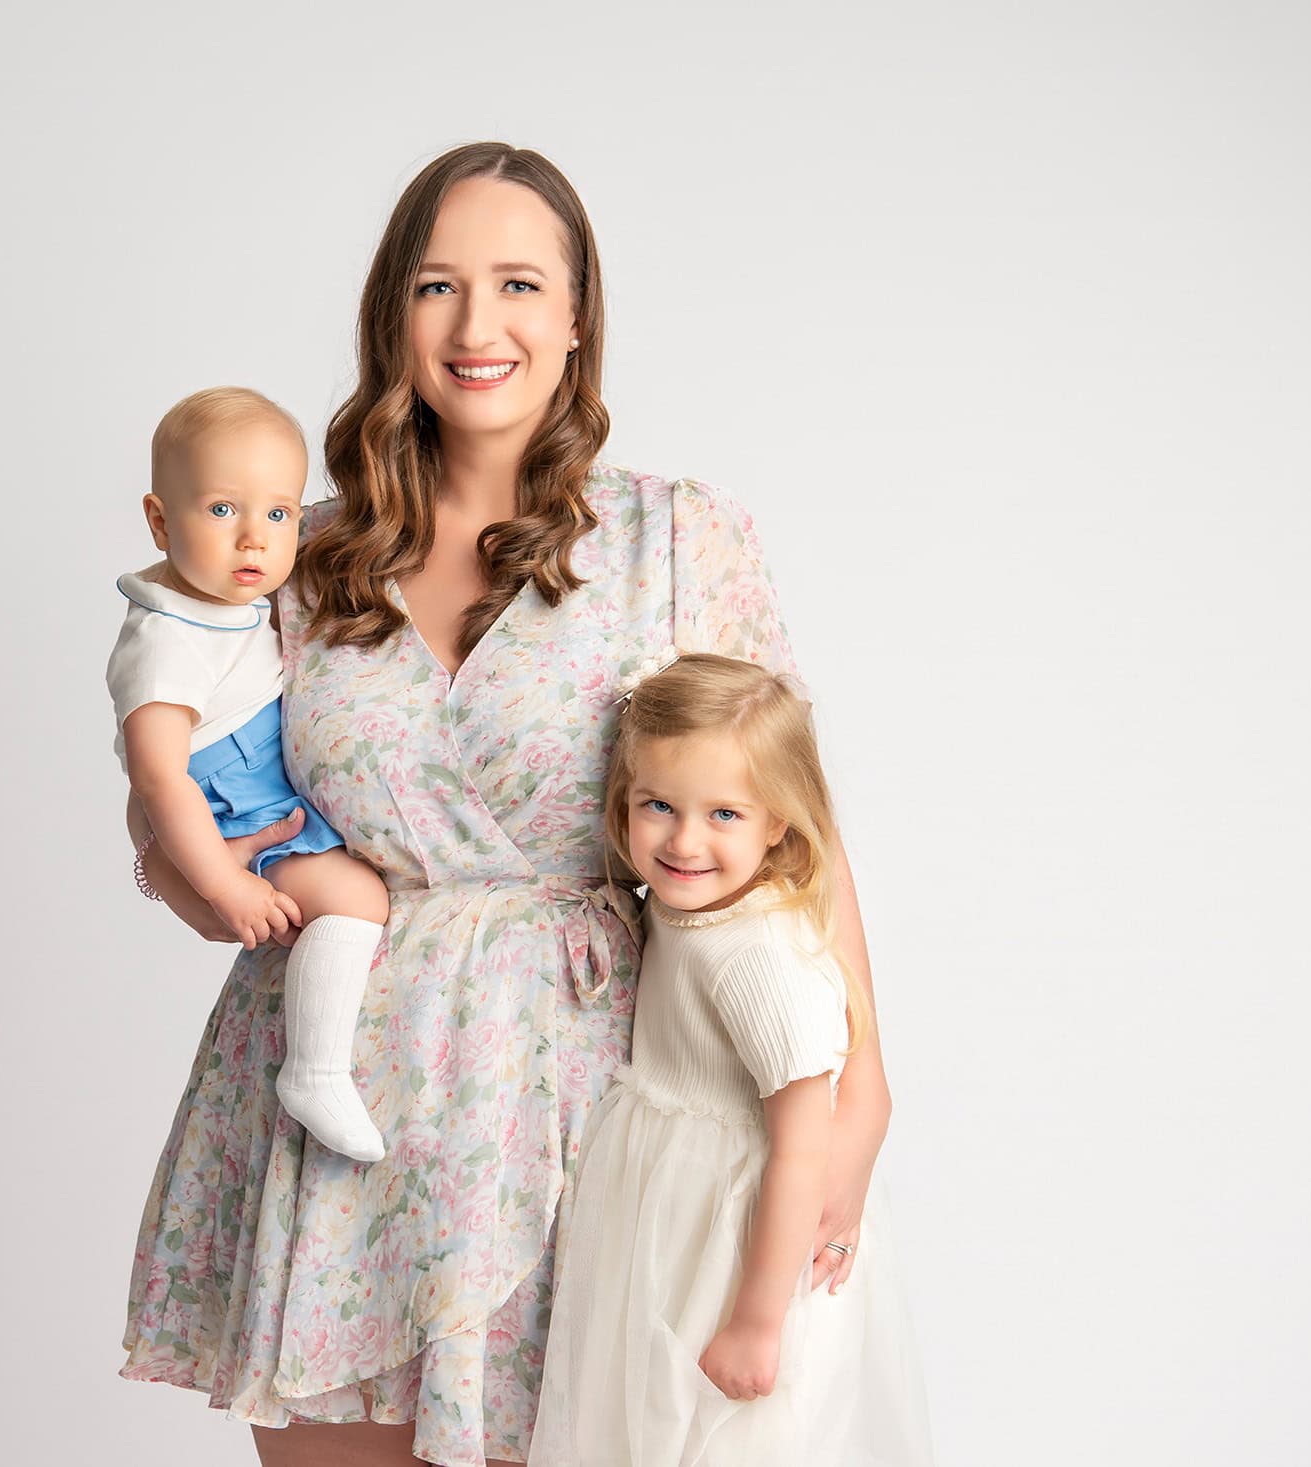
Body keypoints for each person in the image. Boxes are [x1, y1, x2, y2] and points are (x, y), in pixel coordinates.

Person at [119, 142, 893, 1467]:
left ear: (578, 315)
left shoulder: (675, 539)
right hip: (335, 1110)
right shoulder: (290, 556)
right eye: (437, 286)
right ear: (392, 315)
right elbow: (187, 784)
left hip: (587, 1114)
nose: (479, 326)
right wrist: (184, 862)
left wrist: (856, 1083)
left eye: (520, 283)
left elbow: (789, 837)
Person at [529, 655, 931, 1465]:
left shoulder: (758, 955)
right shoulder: (686, 909)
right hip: (674, 1211)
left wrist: (757, 1318)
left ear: (778, 821)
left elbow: (803, 1145)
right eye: (659, 806)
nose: (684, 840)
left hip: (745, 1241)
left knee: (728, 1436)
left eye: (724, 814)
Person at [108, 386, 391, 1162]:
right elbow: (159, 779)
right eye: (224, 510)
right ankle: (316, 1069)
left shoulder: (228, 604)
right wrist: (222, 884)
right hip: (234, 797)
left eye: (279, 515)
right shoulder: (166, 637)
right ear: (160, 521)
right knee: (356, 896)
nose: (254, 542)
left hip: (256, 773)